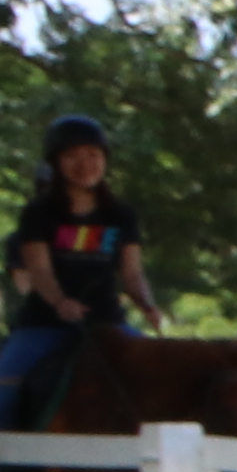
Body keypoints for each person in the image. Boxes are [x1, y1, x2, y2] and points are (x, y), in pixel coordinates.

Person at [0, 111, 153, 427]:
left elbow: (132, 273)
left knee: (159, 371)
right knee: (5, 385)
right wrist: (59, 302)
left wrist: (145, 302)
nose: (85, 164)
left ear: (104, 160)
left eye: (93, 155)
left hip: (106, 319)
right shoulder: (39, 212)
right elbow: (39, 270)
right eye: (72, 156)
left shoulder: (120, 214)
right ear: (57, 163)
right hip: (45, 323)